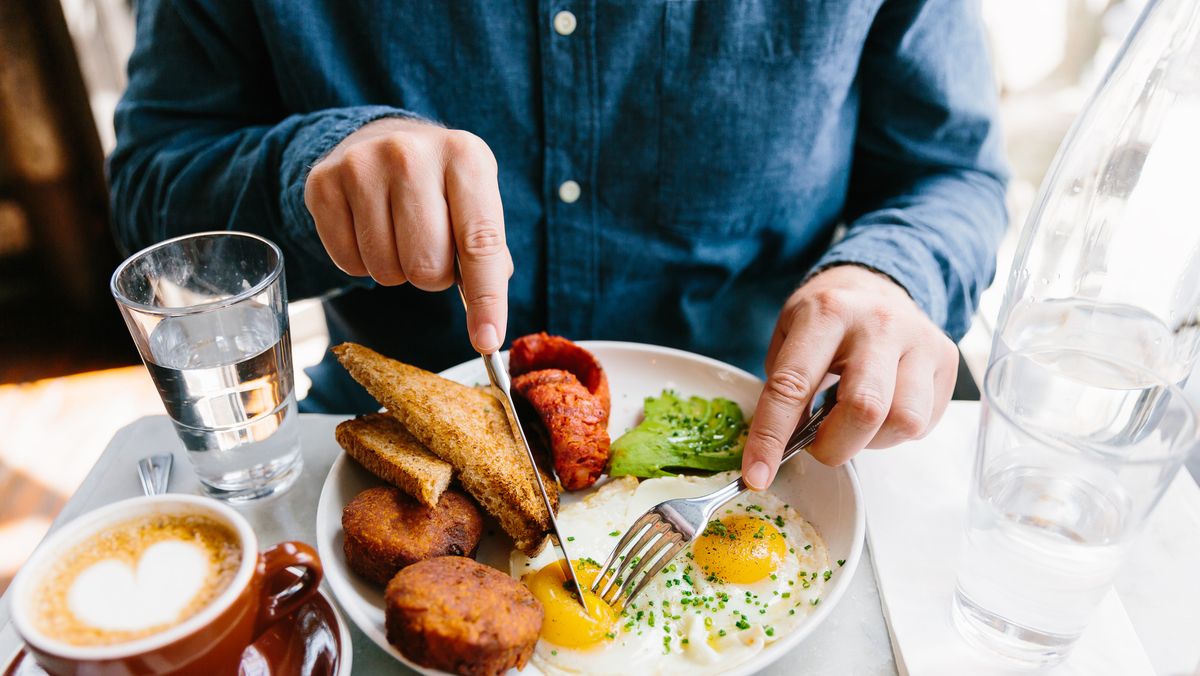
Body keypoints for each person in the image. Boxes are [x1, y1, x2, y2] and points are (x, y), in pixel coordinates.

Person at [109, 1, 1007, 491]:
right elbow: (150, 203)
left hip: (769, 442)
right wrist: (309, 169)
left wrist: (889, 274)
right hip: (382, 439)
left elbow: (952, 173)